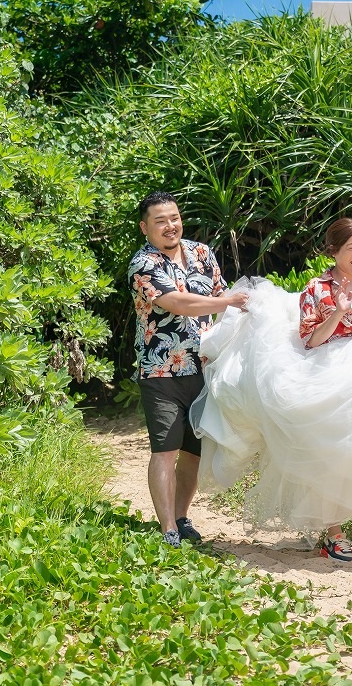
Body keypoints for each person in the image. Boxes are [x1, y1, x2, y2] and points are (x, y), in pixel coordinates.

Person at [192, 217, 352, 563]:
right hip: (336, 376)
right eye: (351, 249)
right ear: (334, 251)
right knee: (335, 455)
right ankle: (334, 535)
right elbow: (311, 339)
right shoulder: (318, 288)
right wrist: (338, 313)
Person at [128, 191, 248, 548]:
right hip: (161, 370)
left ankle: (181, 518)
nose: (170, 225)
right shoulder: (143, 263)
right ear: (145, 227)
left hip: (204, 369)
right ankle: (167, 529)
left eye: (175, 218)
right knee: (164, 450)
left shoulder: (201, 252)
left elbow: (222, 300)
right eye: (161, 221)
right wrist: (224, 301)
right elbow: (177, 302)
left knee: (193, 452)